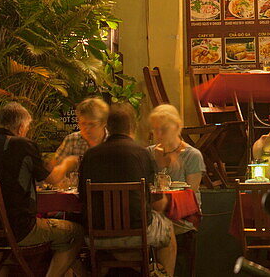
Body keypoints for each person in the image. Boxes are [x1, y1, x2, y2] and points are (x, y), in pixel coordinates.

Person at [0, 103, 85, 277]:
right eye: (27, 128)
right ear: (20, 128)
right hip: (19, 231)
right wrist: (68, 163)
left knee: (4, 254)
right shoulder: (22, 145)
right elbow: (53, 179)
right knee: (75, 233)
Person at [79, 103, 176, 274]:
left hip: (97, 235)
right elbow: (156, 202)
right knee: (168, 231)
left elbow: (81, 198)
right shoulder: (142, 154)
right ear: (132, 126)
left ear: (107, 126)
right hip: (138, 233)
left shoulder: (90, 155)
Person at [148, 104, 204, 192]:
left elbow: (191, 195)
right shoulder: (149, 153)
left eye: (164, 129)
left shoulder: (192, 156)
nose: (159, 134)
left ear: (177, 127)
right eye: (155, 129)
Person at [53, 96, 109, 170]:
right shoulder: (72, 140)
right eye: (83, 123)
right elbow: (55, 169)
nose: (87, 128)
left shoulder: (113, 141)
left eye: (92, 124)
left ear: (103, 123)